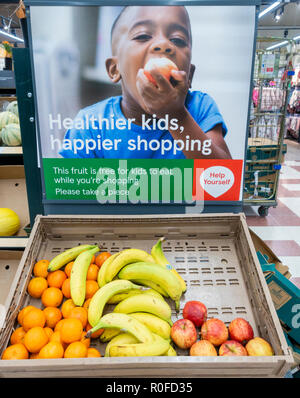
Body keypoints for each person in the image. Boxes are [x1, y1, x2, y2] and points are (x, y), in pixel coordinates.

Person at [59, 5, 232, 160]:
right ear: (114, 69)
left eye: (177, 40)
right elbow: (69, 190)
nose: (163, 44)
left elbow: (223, 179)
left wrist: (176, 116)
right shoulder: (90, 124)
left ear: (189, 76)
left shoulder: (200, 108)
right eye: (142, 36)